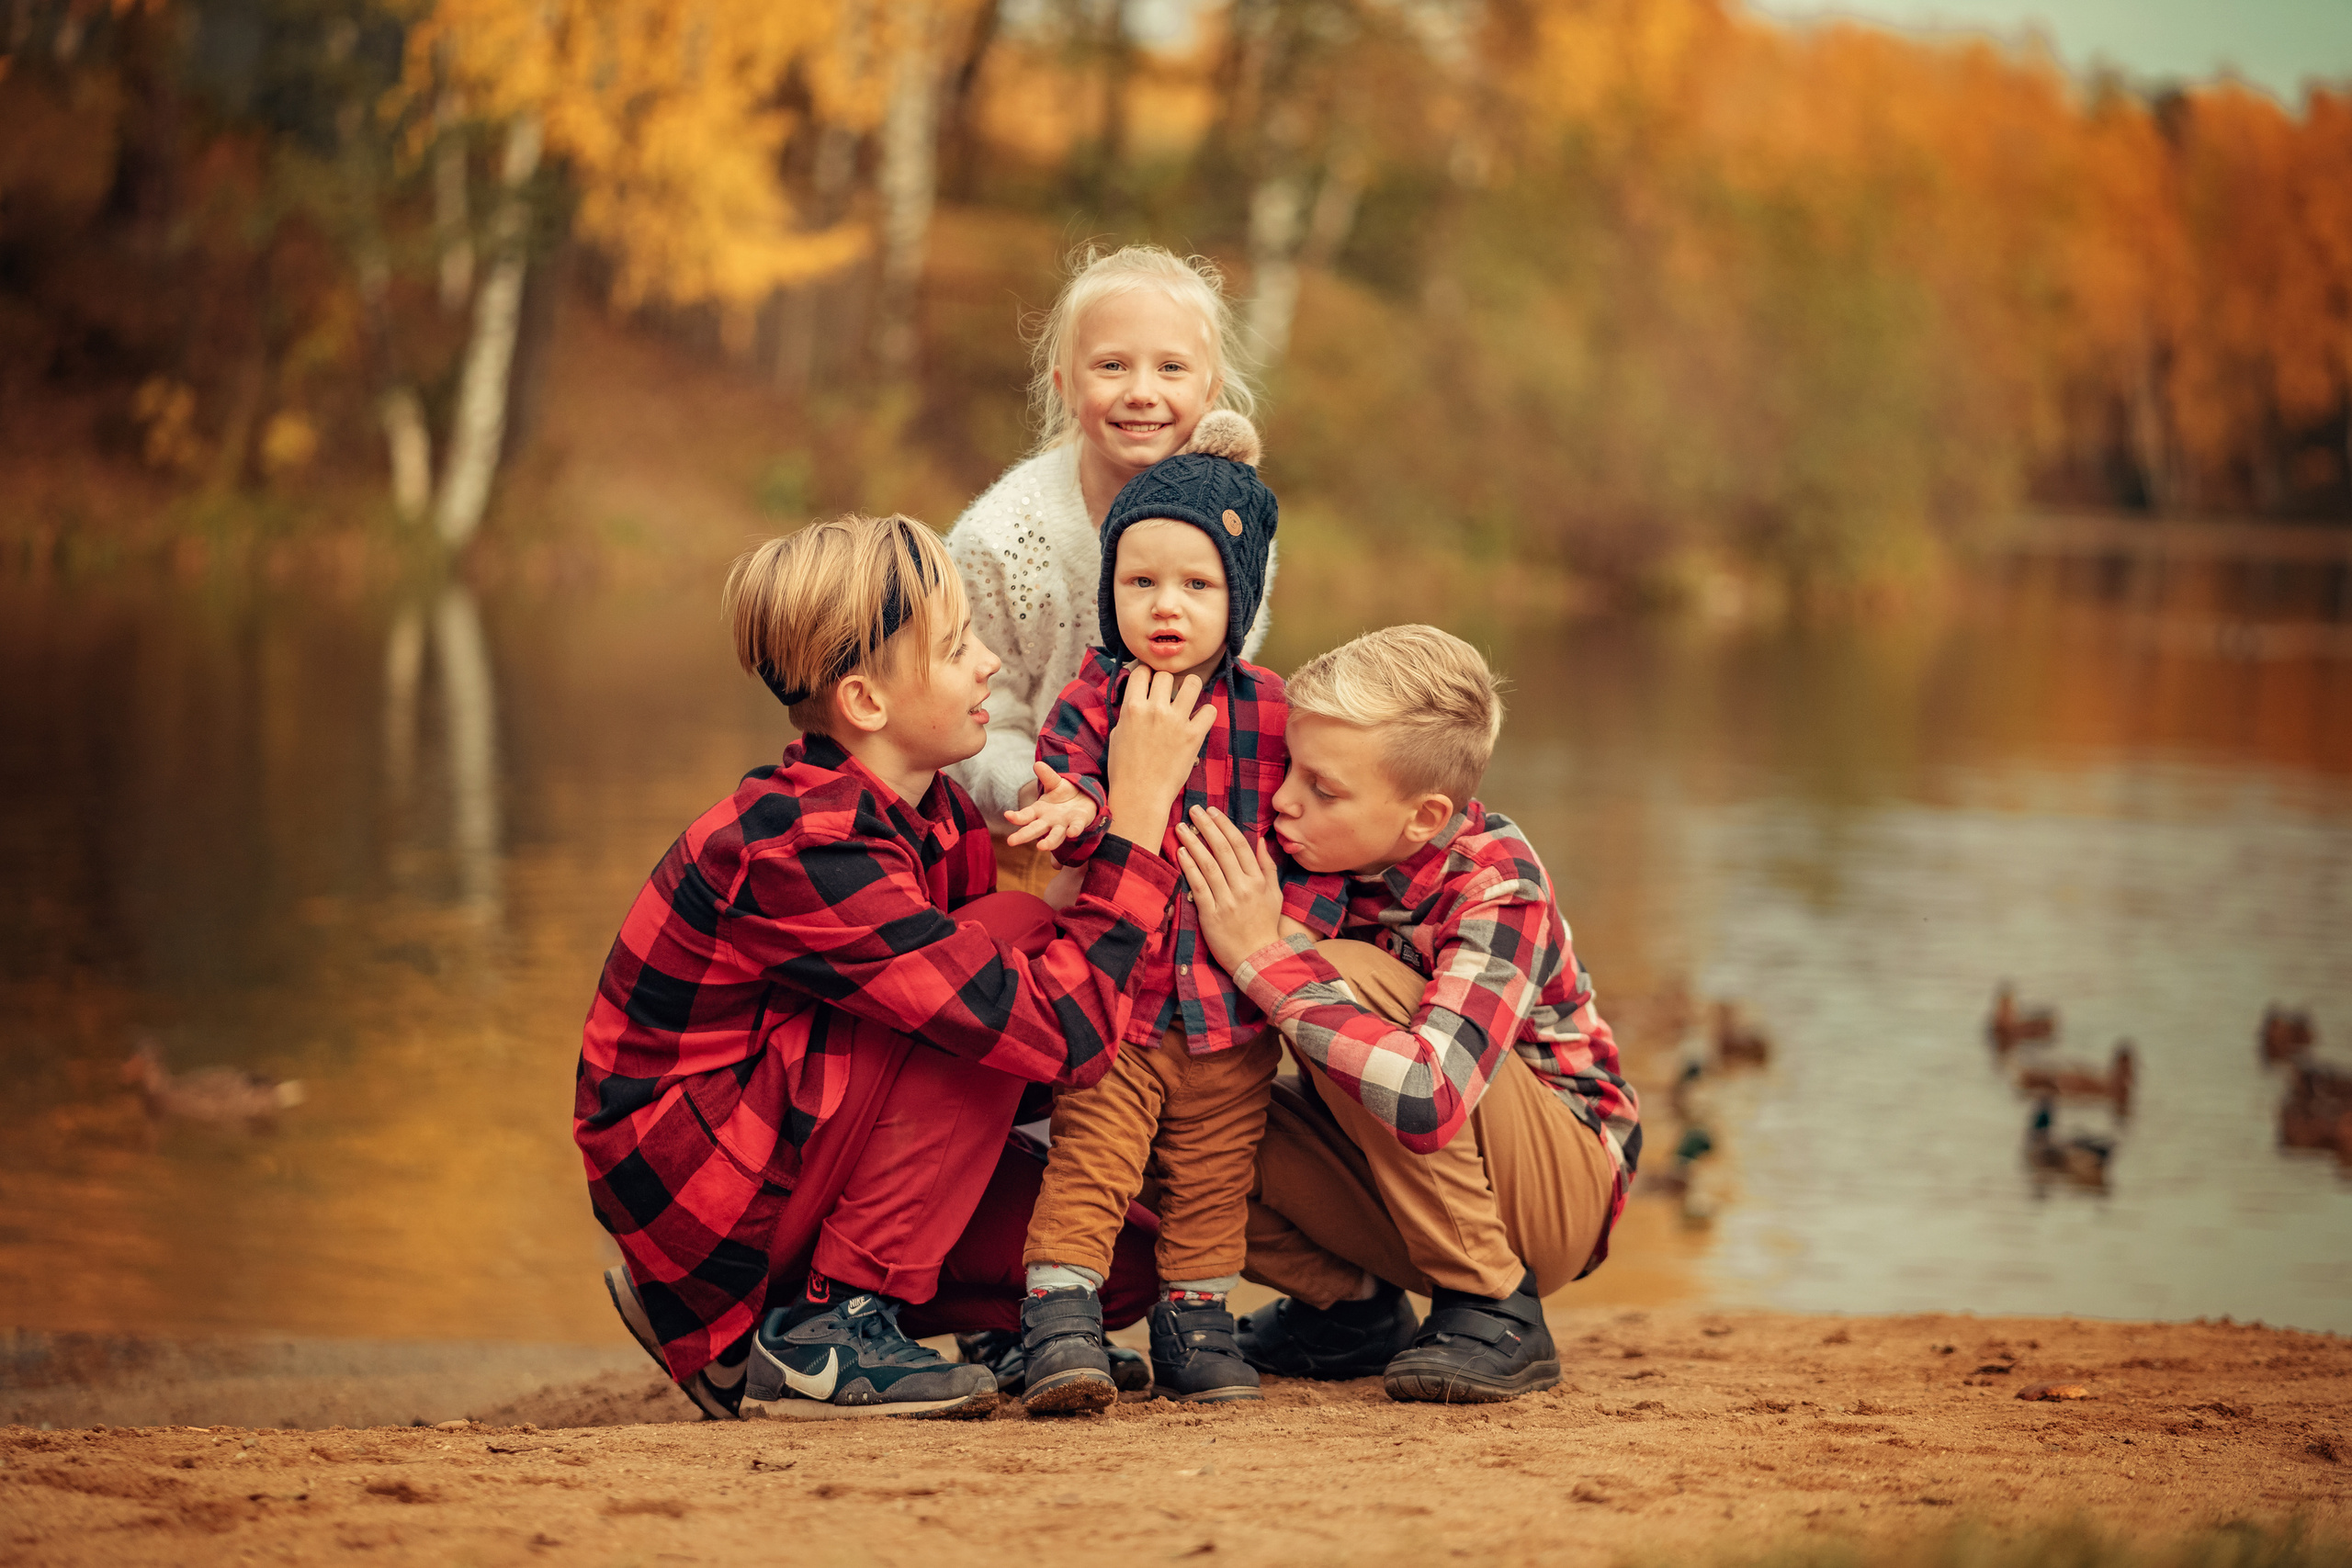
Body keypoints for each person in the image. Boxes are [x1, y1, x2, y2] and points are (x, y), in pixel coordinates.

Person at [579, 513, 1212, 1420]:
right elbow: (1054, 1033)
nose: (988, 664)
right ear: (866, 703)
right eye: (956, 649)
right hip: (706, 1189)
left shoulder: (934, 814)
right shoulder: (801, 845)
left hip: (798, 1144)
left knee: (1116, 1267)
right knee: (1013, 935)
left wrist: (1092, 850)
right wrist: (1139, 818)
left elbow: (1029, 1058)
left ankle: (848, 1325)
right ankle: (821, 1330)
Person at [1170, 625, 1642, 1404]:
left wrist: (1261, 956)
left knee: (1341, 973)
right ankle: (1347, 1310)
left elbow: (1429, 1093)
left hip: (1558, 1187)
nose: (1284, 798)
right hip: (1395, 1178)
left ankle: (1493, 1305)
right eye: (1289, 767)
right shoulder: (1305, 851)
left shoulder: (1497, 883)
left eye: (1324, 789)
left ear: (1423, 816)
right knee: (1174, 1112)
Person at [990, 412, 1345, 1412]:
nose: (1165, 606)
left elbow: (1309, 833)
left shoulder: (1275, 710)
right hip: (1122, 1001)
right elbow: (1069, 784)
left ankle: (1195, 1323)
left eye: (1197, 586)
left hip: (1230, 1009)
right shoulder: (1094, 697)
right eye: (1139, 581)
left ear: (1241, 597)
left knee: (1215, 1171)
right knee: (1092, 1159)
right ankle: (1062, 1320)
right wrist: (1072, 808)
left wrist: (1296, 931)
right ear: (1109, 589)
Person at [944, 244, 1272, 895]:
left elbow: (1226, 684)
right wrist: (1045, 795)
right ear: (1066, 385)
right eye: (1112, 365)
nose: (1142, 392)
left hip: (1177, 831)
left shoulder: (1233, 523)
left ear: (1209, 391)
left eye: (1171, 367)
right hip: (1028, 836)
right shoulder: (1002, 538)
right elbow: (977, 714)